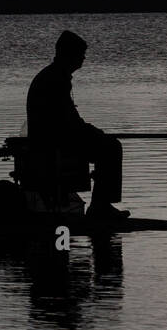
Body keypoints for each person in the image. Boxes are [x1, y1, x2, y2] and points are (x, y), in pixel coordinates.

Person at [25, 30, 129, 223]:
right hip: (54, 142)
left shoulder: (54, 76)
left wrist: (90, 131)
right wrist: (93, 133)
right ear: (69, 54)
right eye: (80, 54)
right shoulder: (56, 79)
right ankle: (100, 207)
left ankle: (101, 205)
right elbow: (67, 123)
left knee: (106, 143)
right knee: (111, 147)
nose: (83, 58)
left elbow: (69, 120)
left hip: (54, 138)